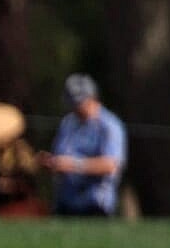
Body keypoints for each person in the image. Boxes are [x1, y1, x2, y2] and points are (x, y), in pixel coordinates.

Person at [38, 74, 126, 218]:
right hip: (64, 203)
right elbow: (61, 153)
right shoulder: (68, 123)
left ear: (92, 98)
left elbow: (111, 165)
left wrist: (74, 165)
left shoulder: (109, 126)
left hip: (95, 205)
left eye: (79, 103)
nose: (75, 108)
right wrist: (53, 162)